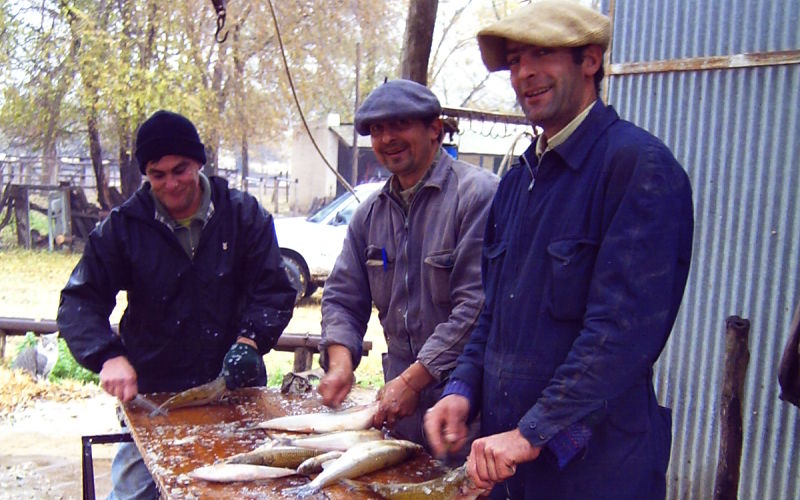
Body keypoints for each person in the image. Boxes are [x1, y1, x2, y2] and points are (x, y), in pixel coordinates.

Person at [423, 1, 694, 498]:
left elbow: (620, 334)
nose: (524, 73)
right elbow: (493, 314)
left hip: (596, 470)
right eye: (515, 60)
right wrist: (462, 389)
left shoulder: (637, 168)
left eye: (542, 54)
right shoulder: (518, 182)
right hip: (512, 466)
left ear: (589, 61)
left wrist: (532, 432)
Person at [57, 110, 296, 499]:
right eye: (157, 174)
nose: (170, 183)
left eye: (180, 169)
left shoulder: (243, 215)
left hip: (234, 388)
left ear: (198, 162)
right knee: (134, 493)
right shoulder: (124, 226)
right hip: (153, 394)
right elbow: (79, 300)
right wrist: (106, 356)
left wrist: (251, 340)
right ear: (146, 174)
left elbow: (273, 289)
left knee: (243, 490)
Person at [317, 79, 498, 452]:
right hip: (400, 411)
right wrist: (340, 362)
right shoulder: (369, 214)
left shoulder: (478, 196)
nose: (387, 139)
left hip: (467, 406)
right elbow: (341, 297)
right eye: (377, 130)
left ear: (434, 129)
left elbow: (476, 308)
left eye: (399, 125)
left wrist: (414, 381)